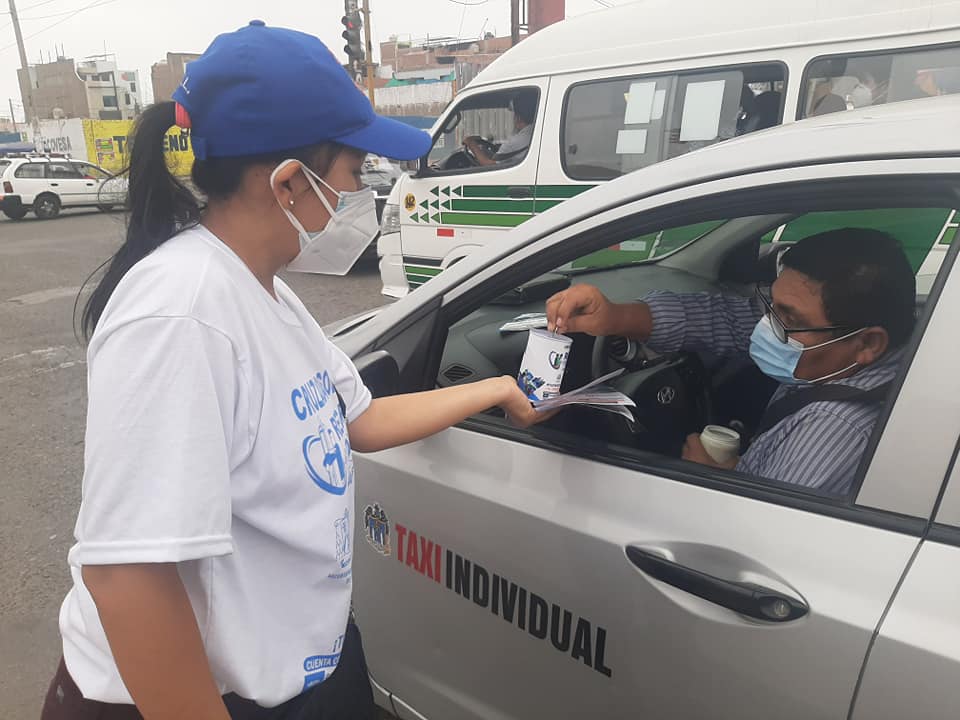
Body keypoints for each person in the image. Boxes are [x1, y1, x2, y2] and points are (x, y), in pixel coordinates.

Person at [42, 21, 547, 720]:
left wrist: (491, 388)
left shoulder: (260, 289)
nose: (362, 193)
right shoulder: (180, 315)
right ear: (288, 183)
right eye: (353, 172)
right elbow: (128, 574)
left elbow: (357, 419)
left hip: (291, 674)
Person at [546, 228, 916, 496]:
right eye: (769, 305)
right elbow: (728, 320)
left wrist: (712, 482)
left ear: (868, 342)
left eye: (788, 319)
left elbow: (759, 543)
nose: (767, 326)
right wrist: (616, 317)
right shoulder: (844, 356)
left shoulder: (835, 429)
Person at [463, 92, 537, 166]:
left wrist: (471, 143)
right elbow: (502, 156)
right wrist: (484, 152)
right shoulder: (534, 133)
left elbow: (489, 165)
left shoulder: (516, 142)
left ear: (518, 118)